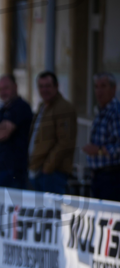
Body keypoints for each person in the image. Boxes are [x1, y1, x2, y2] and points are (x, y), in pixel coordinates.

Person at [28, 71, 77, 194]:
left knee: (51, 212)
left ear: (56, 86)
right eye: (41, 86)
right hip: (38, 170)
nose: (44, 90)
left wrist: (47, 167)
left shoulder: (63, 108)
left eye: (48, 86)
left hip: (53, 173)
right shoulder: (42, 106)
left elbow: (65, 143)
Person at [0, 74, 33, 189]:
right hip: (0, 167)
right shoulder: (2, 109)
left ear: (15, 87)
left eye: (6, 88)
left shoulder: (21, 106)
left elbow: (3, 134)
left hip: (14, 168)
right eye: (0, 89)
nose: (3, 92)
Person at [82, 72, 120, 203]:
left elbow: (117, 148)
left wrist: (97, 150)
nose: (99, 91)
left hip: (112, 177)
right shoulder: (101, 111)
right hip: (98, 176)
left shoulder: (115, 112)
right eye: (96, 86)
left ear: (113, 88)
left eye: (103, 86)